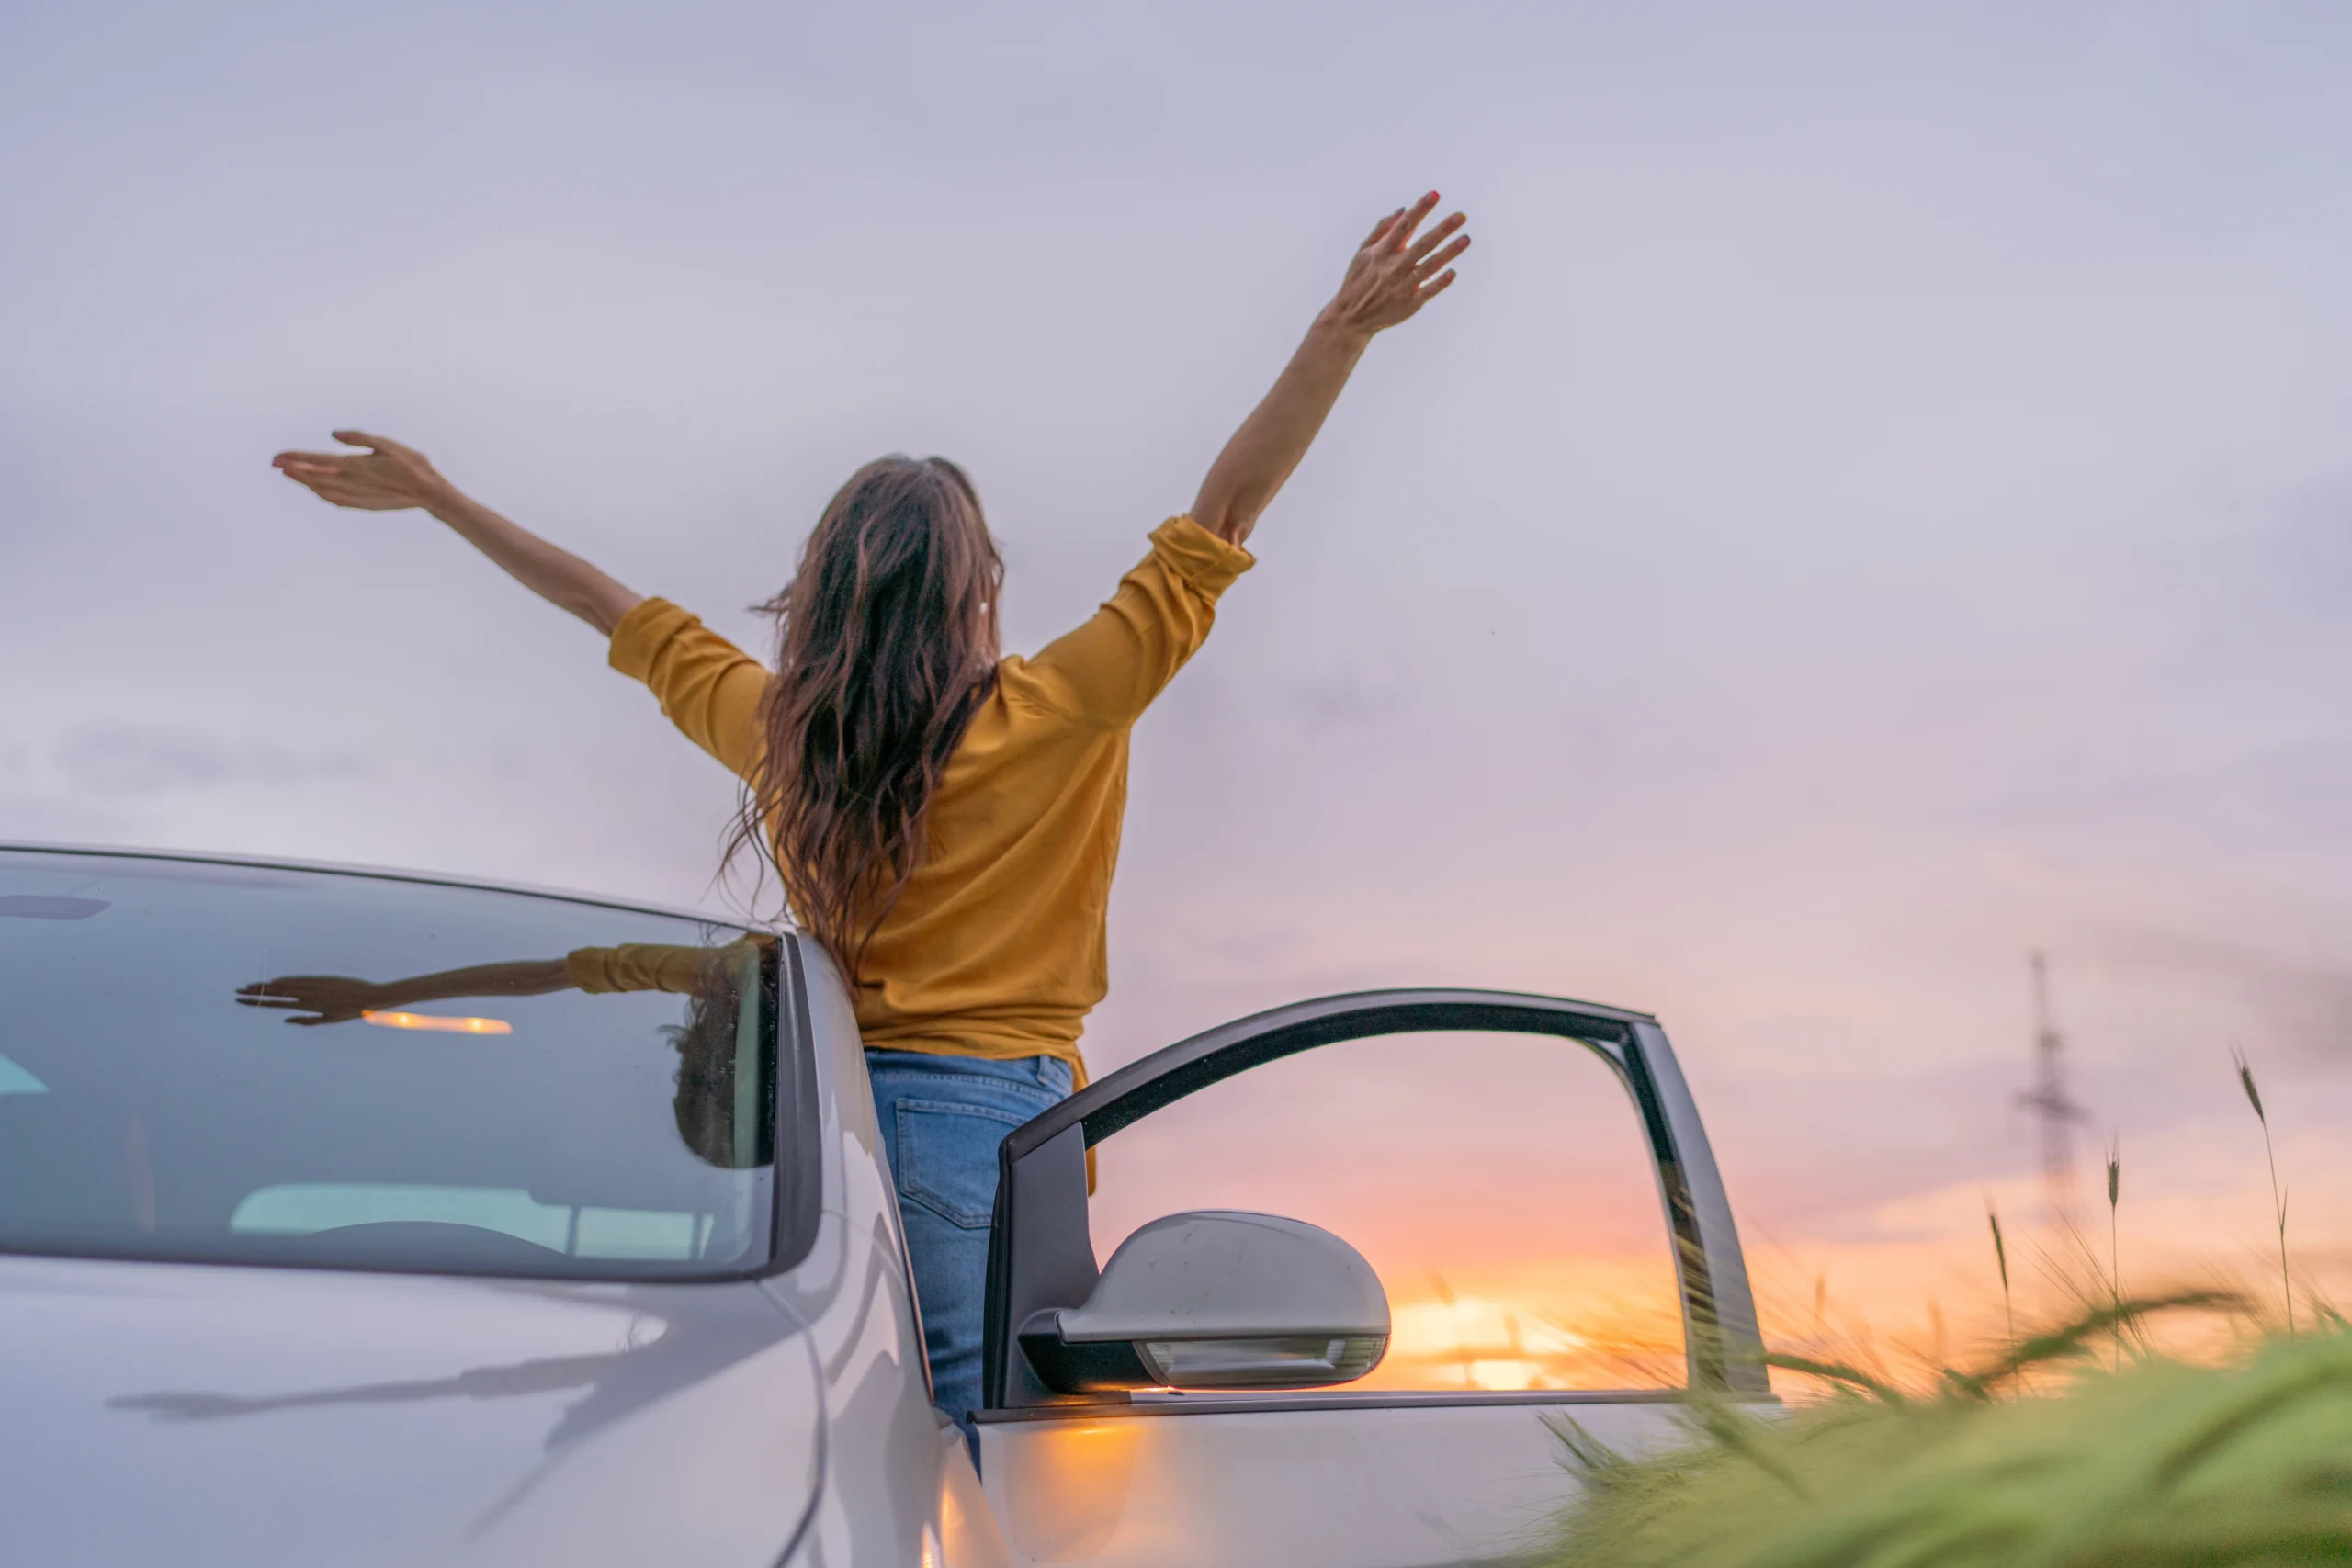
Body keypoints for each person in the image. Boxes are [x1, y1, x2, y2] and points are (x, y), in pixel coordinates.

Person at [270, 191, 1472, 1421]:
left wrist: (441, 497)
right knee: (986, 1458)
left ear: (823, 592)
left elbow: (606, 607)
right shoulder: (1061, 705)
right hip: (989, 1133)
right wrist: (1342, 333)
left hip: (810, 1123)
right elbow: (1221, 520)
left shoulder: (780, 730)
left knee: (813, 1435)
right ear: (976, 590)